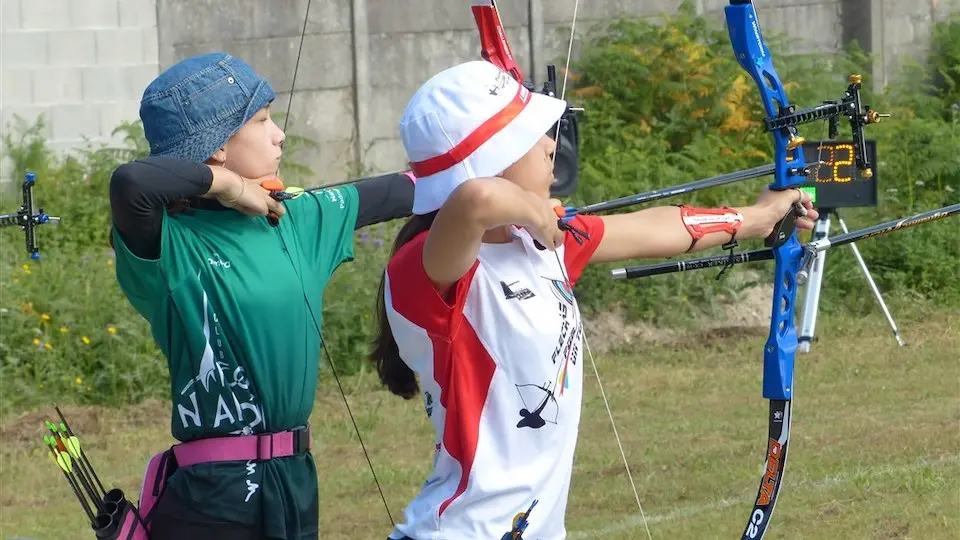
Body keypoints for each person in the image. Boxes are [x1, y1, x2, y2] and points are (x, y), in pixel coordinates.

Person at [369, 60, 818, 539]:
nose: (550, 145)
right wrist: (535, 214)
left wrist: (757, 217)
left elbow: (654, 227)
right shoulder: (425, 270)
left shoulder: (536, 244)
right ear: (490, 156)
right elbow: (474, 199)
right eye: (529, 137)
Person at [109, 52, 415, 540]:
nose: (279, 134)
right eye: (260, 120)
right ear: (216, 147)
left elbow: (407, 190)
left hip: (294, 479)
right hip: (214, 496)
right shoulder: (170, 243)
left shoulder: (297, 216)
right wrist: (230, 188)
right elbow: (131, 183)